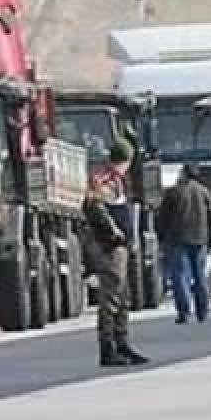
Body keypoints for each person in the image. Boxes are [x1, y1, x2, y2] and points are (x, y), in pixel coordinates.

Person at [83, 140, 148, 368]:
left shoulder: (118, 180)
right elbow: (96, 208)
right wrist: (115, 231)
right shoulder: (104, 180)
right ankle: (108, 348)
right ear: (125, 160)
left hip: (121, 247)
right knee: (111, 299)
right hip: (109, 247)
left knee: (123, 298)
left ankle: (123, 344)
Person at [158, 162, 211, 324]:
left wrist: (162, 237)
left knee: (180, 276)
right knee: (200, 276)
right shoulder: (204, 192)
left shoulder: (173, 192)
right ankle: (202, 311)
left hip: (177, 239)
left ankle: (184, 312)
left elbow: (163, 217)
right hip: (200, 238)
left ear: (183, 173)